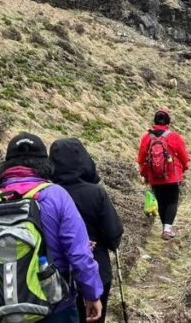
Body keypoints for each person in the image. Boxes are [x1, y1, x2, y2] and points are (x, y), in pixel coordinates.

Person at [0, 133, 103, 323]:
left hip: (6, 310)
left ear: (7, 165)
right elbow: (79, 254)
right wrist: (92, 294)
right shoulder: (57, 195)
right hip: (56, 306)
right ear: (44, 163)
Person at [50, 138, 124, 323]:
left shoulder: (46, 195)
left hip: (57, 274)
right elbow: (113, 234)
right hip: (97, 269)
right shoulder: (95, 192)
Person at [137, 107, 190, 240]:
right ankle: (167, 229)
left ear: (154, 121)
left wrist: (144, 173)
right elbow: (183, 155)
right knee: (172, 200)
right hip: (171, 175)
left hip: (154, 175)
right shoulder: (173, 136)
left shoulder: (146, 137)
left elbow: (141, 159)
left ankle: (164, 228)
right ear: (168, 122)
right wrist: (184, 167)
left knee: (161, 201)